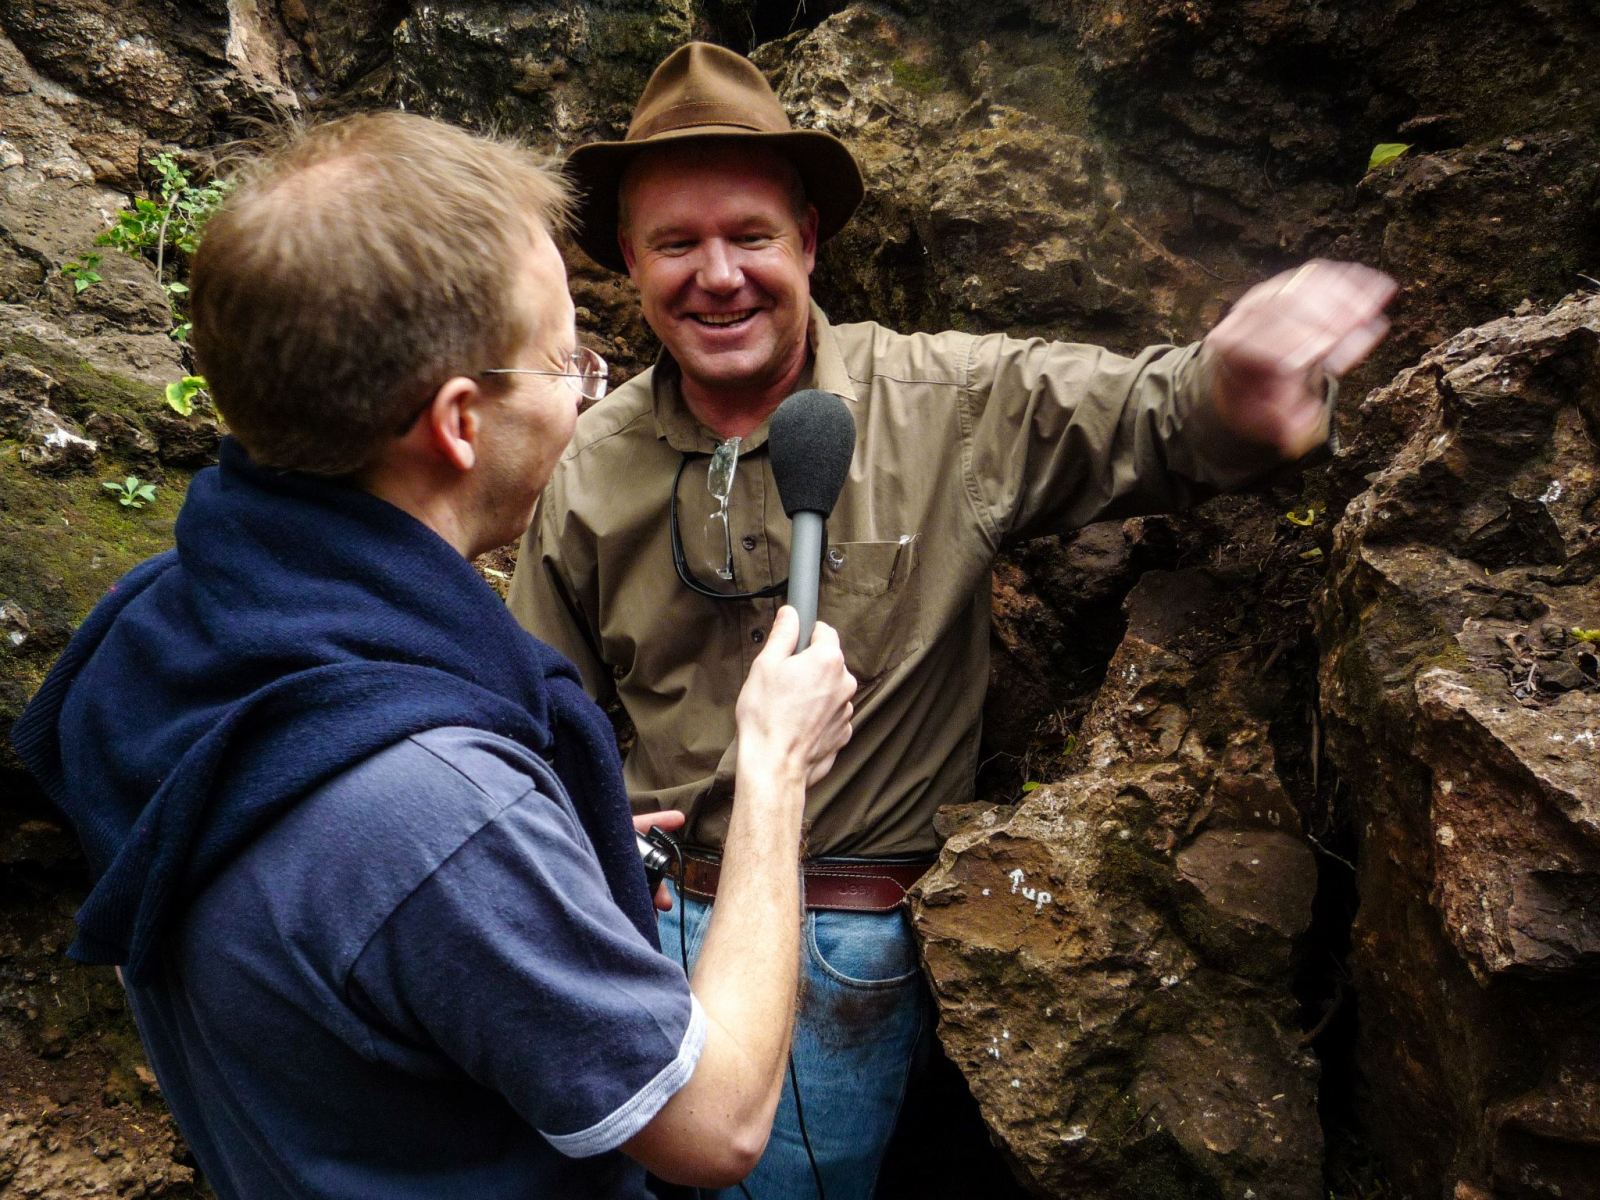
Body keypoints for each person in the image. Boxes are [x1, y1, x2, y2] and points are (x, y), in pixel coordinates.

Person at [507, 41, 1397, 1199]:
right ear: (630, 261)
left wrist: (1236, 382)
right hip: (643, 929)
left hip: (853, 943)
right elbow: (533, 715)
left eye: (751, 236)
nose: (716, 275)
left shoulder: (946, 403)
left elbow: (1153, 417)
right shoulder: (585, 468)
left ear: (810, 242)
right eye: (676, 243)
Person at [10, 110, 857, 1199]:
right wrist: (776, 767)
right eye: (569, 359)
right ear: (460, 423)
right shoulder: (442, 817)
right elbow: (717, 1122)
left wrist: (538, 855)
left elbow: (339, 928)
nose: (582, 389)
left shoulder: (156, 626)